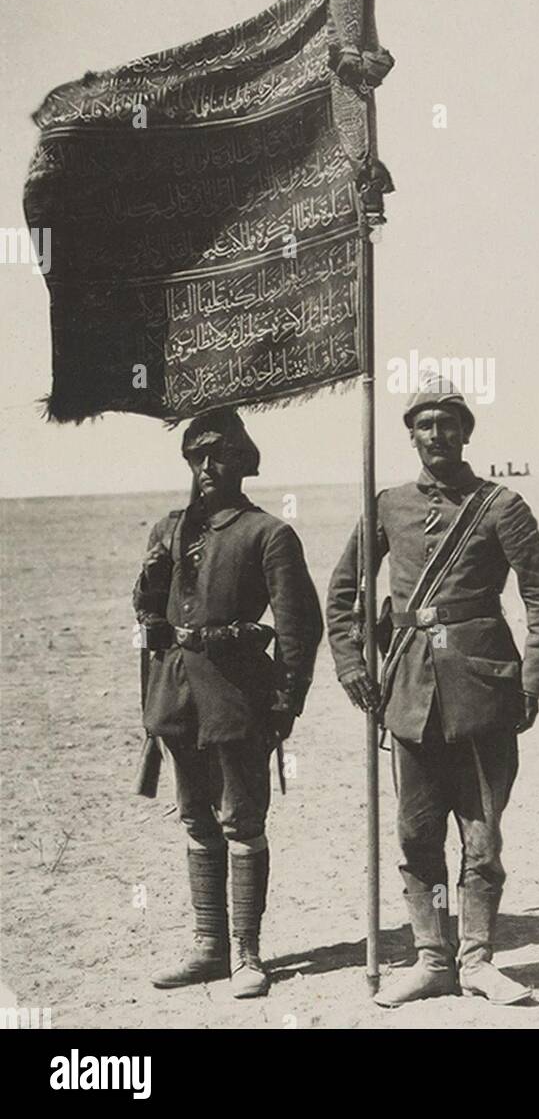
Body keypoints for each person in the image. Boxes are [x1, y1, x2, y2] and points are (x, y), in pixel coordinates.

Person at [326, 376, 539, 1007]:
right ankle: (432, 958)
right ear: (411, 435)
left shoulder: (500, 506)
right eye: (425, 424)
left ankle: (480, 958)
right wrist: (352, 662)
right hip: (406, 694)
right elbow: (345, 590)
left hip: (485, 693)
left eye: (449, 423)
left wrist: (534, 681)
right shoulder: (388, 505)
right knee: (415, 833)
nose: (438, 434)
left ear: (466, 432)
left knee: (482, 834)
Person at [133, 407, 323, 999]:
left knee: (241, 821)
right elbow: (146, 617)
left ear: (244, 462)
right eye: (196, 456)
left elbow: (299, 627)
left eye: (220, 455)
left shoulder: (268, 533)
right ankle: (208, 946)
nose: (208, 466)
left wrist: (286, 702)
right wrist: (148, 585)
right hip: (176, 697)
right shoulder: (168, 530)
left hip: (238, 699)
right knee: (196, 820)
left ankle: (247, 953)